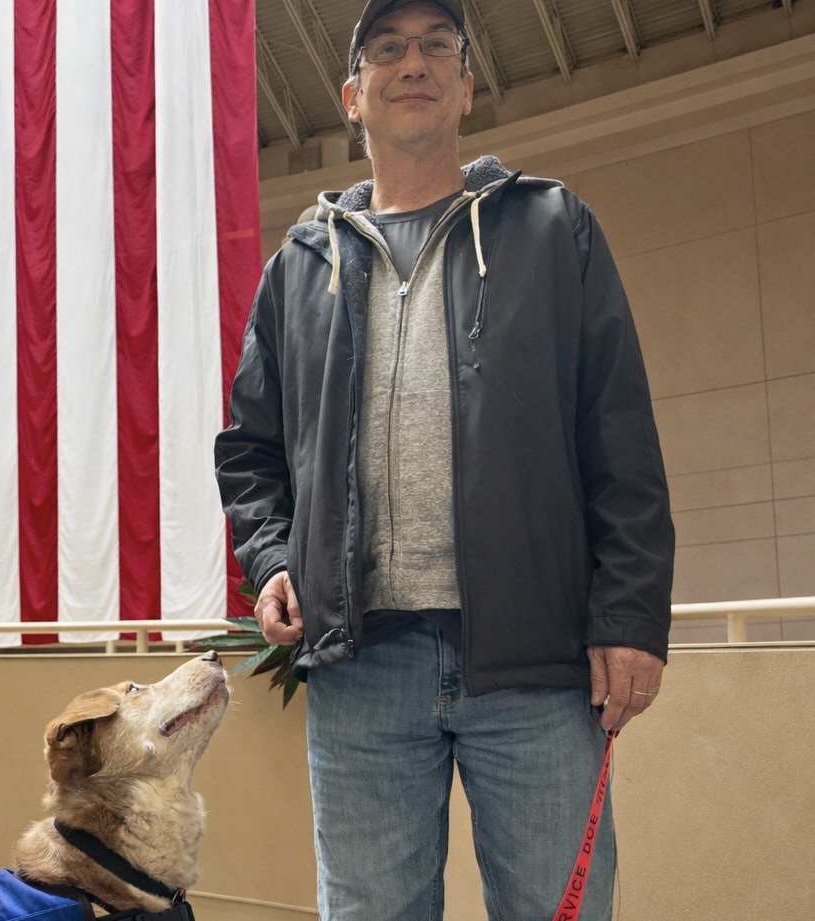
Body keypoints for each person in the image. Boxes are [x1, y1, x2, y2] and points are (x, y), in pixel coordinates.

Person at [215, 1, 675, 918]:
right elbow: (250, 451)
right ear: (353, 95)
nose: (412, 62)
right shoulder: (300, 267)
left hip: (537, 663)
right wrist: (270, 558)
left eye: (437, 48)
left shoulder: (554, 229)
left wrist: (627, 614)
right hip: (359, 667)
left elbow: (618, 435)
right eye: (387, 50)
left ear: (467, 85)